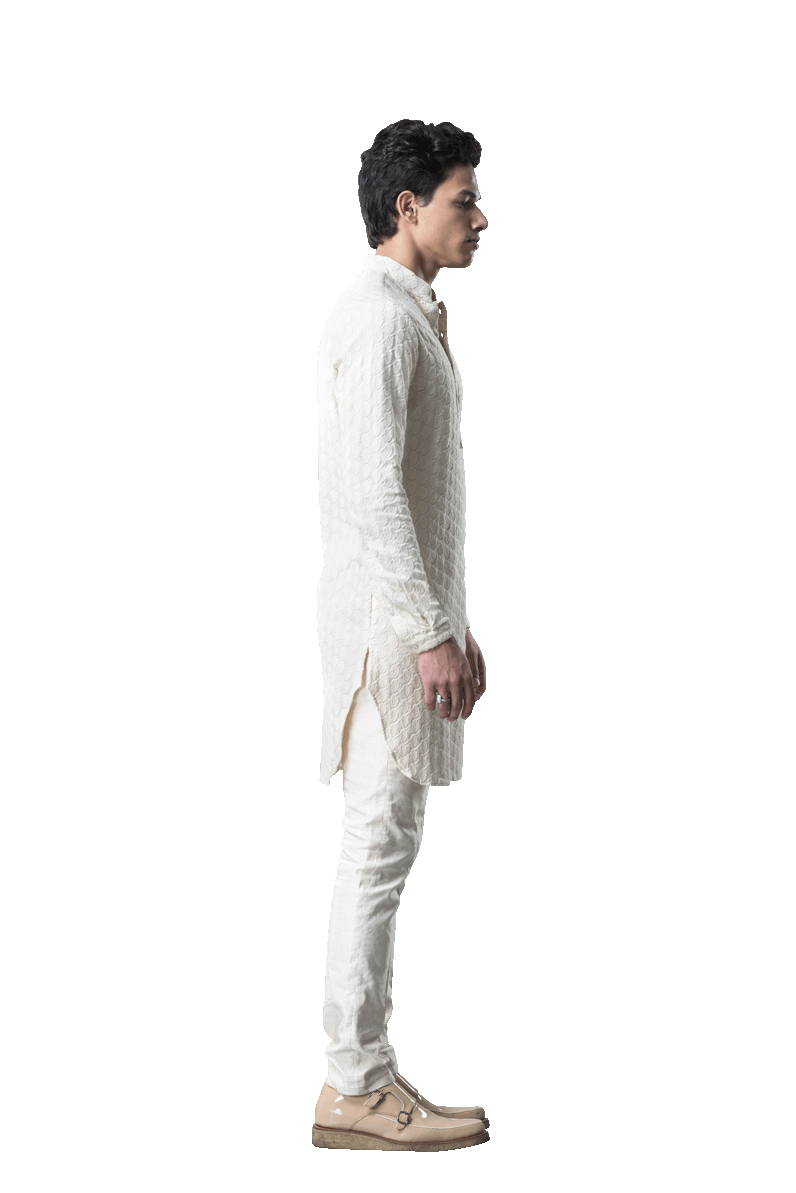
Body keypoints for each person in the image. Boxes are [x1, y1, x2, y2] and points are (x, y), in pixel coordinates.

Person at [314, 120, 489, 1153]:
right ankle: (355, 1082)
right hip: (385, 632)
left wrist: (454, 624)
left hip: (404, 622)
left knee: (385, 844)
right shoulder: (377, 318)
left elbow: (422, 499)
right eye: (465, 199)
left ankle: (365, 1073)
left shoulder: (403, 314)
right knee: (377, 847)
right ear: (407, 207)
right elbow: (375, 492)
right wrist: (429, 631)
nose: (481, 217)